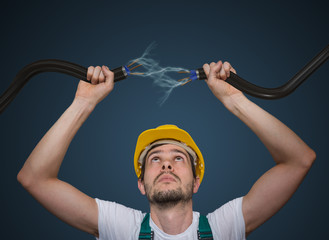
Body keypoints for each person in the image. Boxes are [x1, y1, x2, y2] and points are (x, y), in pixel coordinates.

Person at [17, 61, 316, 240]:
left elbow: (299, 160)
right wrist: (83, 103)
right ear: (141, 183)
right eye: (155, 159)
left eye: (178, 158)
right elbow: (35, 178)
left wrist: (235, 100)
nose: (166, 165)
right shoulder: (120, 227)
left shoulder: (224, 226)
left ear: (197, 181)